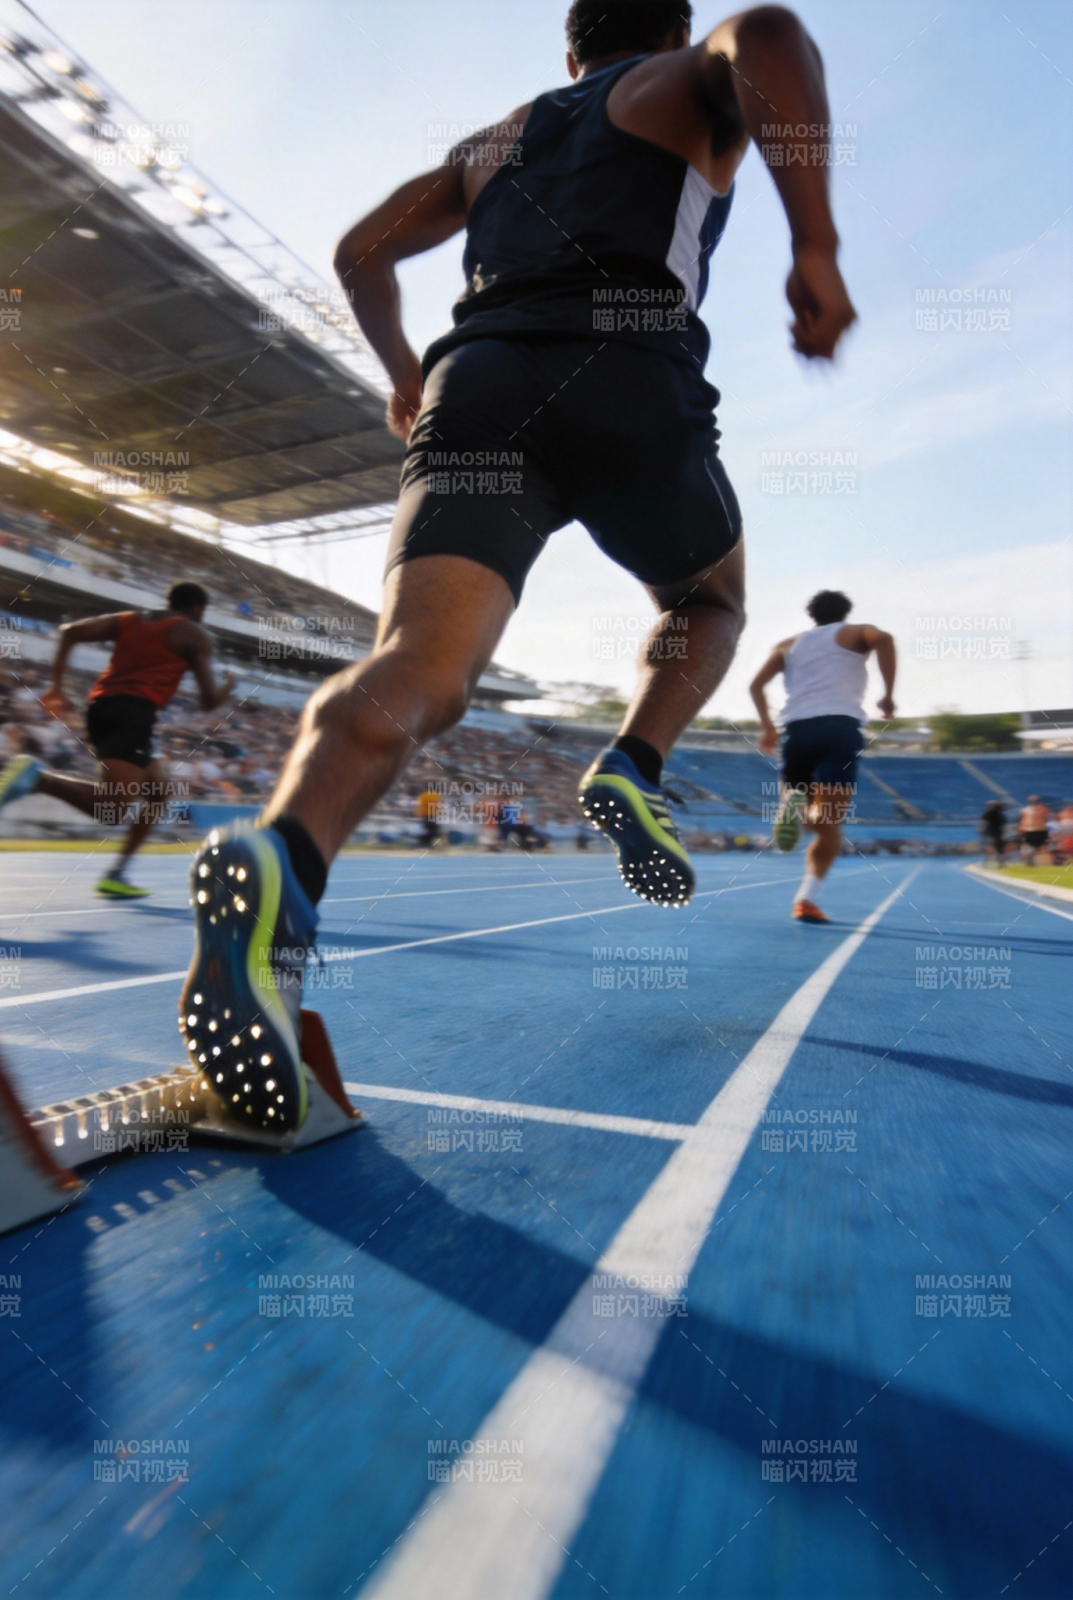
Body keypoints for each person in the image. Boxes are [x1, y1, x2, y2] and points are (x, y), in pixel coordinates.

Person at [179, 0, 855, 1131]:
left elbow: (360, 254)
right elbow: (771, 31)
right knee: (711, 599)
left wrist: (403, 375)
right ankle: (632, 763)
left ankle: (282, 854)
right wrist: (815, 243)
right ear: (669, 26)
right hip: (626, 368)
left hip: (478, 382)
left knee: (420, 667)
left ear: (567, 49)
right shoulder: (678, 82)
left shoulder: (492, 144)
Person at [0, 582, 234, 897]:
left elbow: (70, 631)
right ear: (198, 610)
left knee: (160, 793)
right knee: (113, 808)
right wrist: (229, 686)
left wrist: (57, 686)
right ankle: (38, 779)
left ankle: (117, 874)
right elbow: (209, 701)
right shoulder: (194, 634)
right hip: (133, 713)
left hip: (103, 707)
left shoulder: (132, 619)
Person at [749, 590, 895, 923]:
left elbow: (756, 685)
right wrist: (887, 695)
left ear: (811, 615)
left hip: (797, 732)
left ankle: (795, 808)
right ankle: (806, 900)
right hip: (839, 729)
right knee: (830, 824)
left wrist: (767, 728)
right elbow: (883, 639)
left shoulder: (788, 644)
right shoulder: (854, 633)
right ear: (845, 612)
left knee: (814, 815)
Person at [1018, 795, 1049, 864]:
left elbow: (1022, 821)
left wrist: (1021, 830)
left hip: (1030, 830)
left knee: (1030, 845)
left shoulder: (1025, 810)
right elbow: (1046, 818)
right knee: (1039, 846)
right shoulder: (1043, 809)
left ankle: (1031, 860)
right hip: (1040, 829)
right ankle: (1033, 860)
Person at [979, 799, 1008, 866]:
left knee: (987, 847)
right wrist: (1004, 834)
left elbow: (983, 823)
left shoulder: (987, 813)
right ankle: (1000, 862)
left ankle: (987, 861)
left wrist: (981, 832)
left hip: (988, 832)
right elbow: (1004, 826)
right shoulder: (1001, 815)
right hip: (997, 833)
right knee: (999, 848)